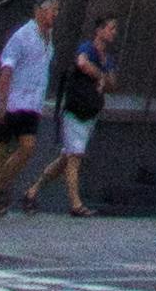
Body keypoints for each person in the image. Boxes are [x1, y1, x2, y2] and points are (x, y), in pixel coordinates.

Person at [0, 0, 61, 218]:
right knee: (1, 148)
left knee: (27, 148)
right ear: (39, 10)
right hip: (14, 100)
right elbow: (7, 69)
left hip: (32, 103)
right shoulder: (22, 36)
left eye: (56, 10)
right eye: (52, 10)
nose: (54, 14)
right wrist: (2, 103)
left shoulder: (49, 37)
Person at [45, 13, 116, 215]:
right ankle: (76, 204)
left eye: (114, 29)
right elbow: (82, 63)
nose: (113, 33)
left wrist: (104, 78)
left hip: (90, 110)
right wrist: (100, 76)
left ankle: (33, 191)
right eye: (110, 28)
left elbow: (112, 84)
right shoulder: (87, 48)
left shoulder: (107, 58)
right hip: (76, 109)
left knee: (66, 158)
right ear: (99, 30)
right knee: (75, 156)